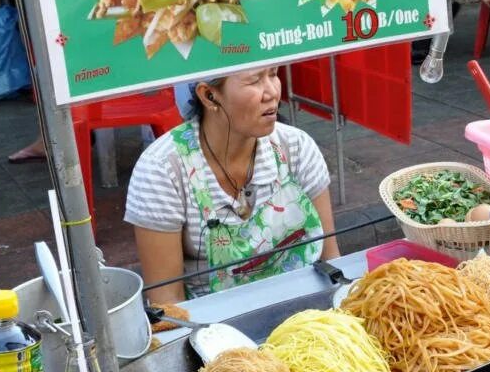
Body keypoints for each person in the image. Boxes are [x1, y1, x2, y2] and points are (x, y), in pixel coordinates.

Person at [125, 67, 339, 303]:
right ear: (208, 95)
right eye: (255, 80)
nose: (272, 93)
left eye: (274, 74)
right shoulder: (162, 171)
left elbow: (332, 264)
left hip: (305, 312)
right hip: (211, 327)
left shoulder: (296, 148)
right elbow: (167, 303)